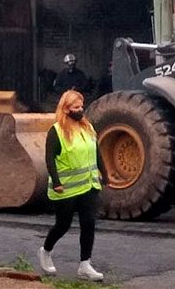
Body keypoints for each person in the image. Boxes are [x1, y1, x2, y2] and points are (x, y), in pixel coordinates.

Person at [37, 90, 107, 281]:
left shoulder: (88, 128)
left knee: (88, 223)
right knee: (63, 224)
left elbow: (96, 152)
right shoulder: (57, 131)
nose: (80, 110)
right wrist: (57, 182)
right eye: (76, 107)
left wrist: (105, 174)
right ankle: (45, 250)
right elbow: (49, 159)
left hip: (89, 185)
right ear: (66, 109)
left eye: (81, 106)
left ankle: (85, 265)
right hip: (66, 188)